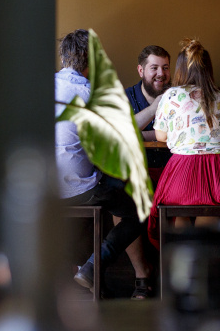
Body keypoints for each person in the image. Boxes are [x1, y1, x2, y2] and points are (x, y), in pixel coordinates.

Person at [54, 29, 154, 299]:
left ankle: (83, 272)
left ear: (63, 58)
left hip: (45, 188)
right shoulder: (90, 93)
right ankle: (92, 268)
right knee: (141, 209)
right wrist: (157, 107)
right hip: (78, 190)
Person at [147, 39, 220, 247]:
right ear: (208, 68)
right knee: (210, 206)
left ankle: (184, 256)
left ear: (180, 69)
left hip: (183, 171)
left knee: (181, 210)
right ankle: (204, 256)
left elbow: (160, 136)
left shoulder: (172, 95)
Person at [124, 45, 171, 141]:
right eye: (154, 68)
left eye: (165, 68)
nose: (161, 73)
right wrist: (153, 108)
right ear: (141, 71)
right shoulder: (124, 98)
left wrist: (141, 136)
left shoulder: (179, 97)